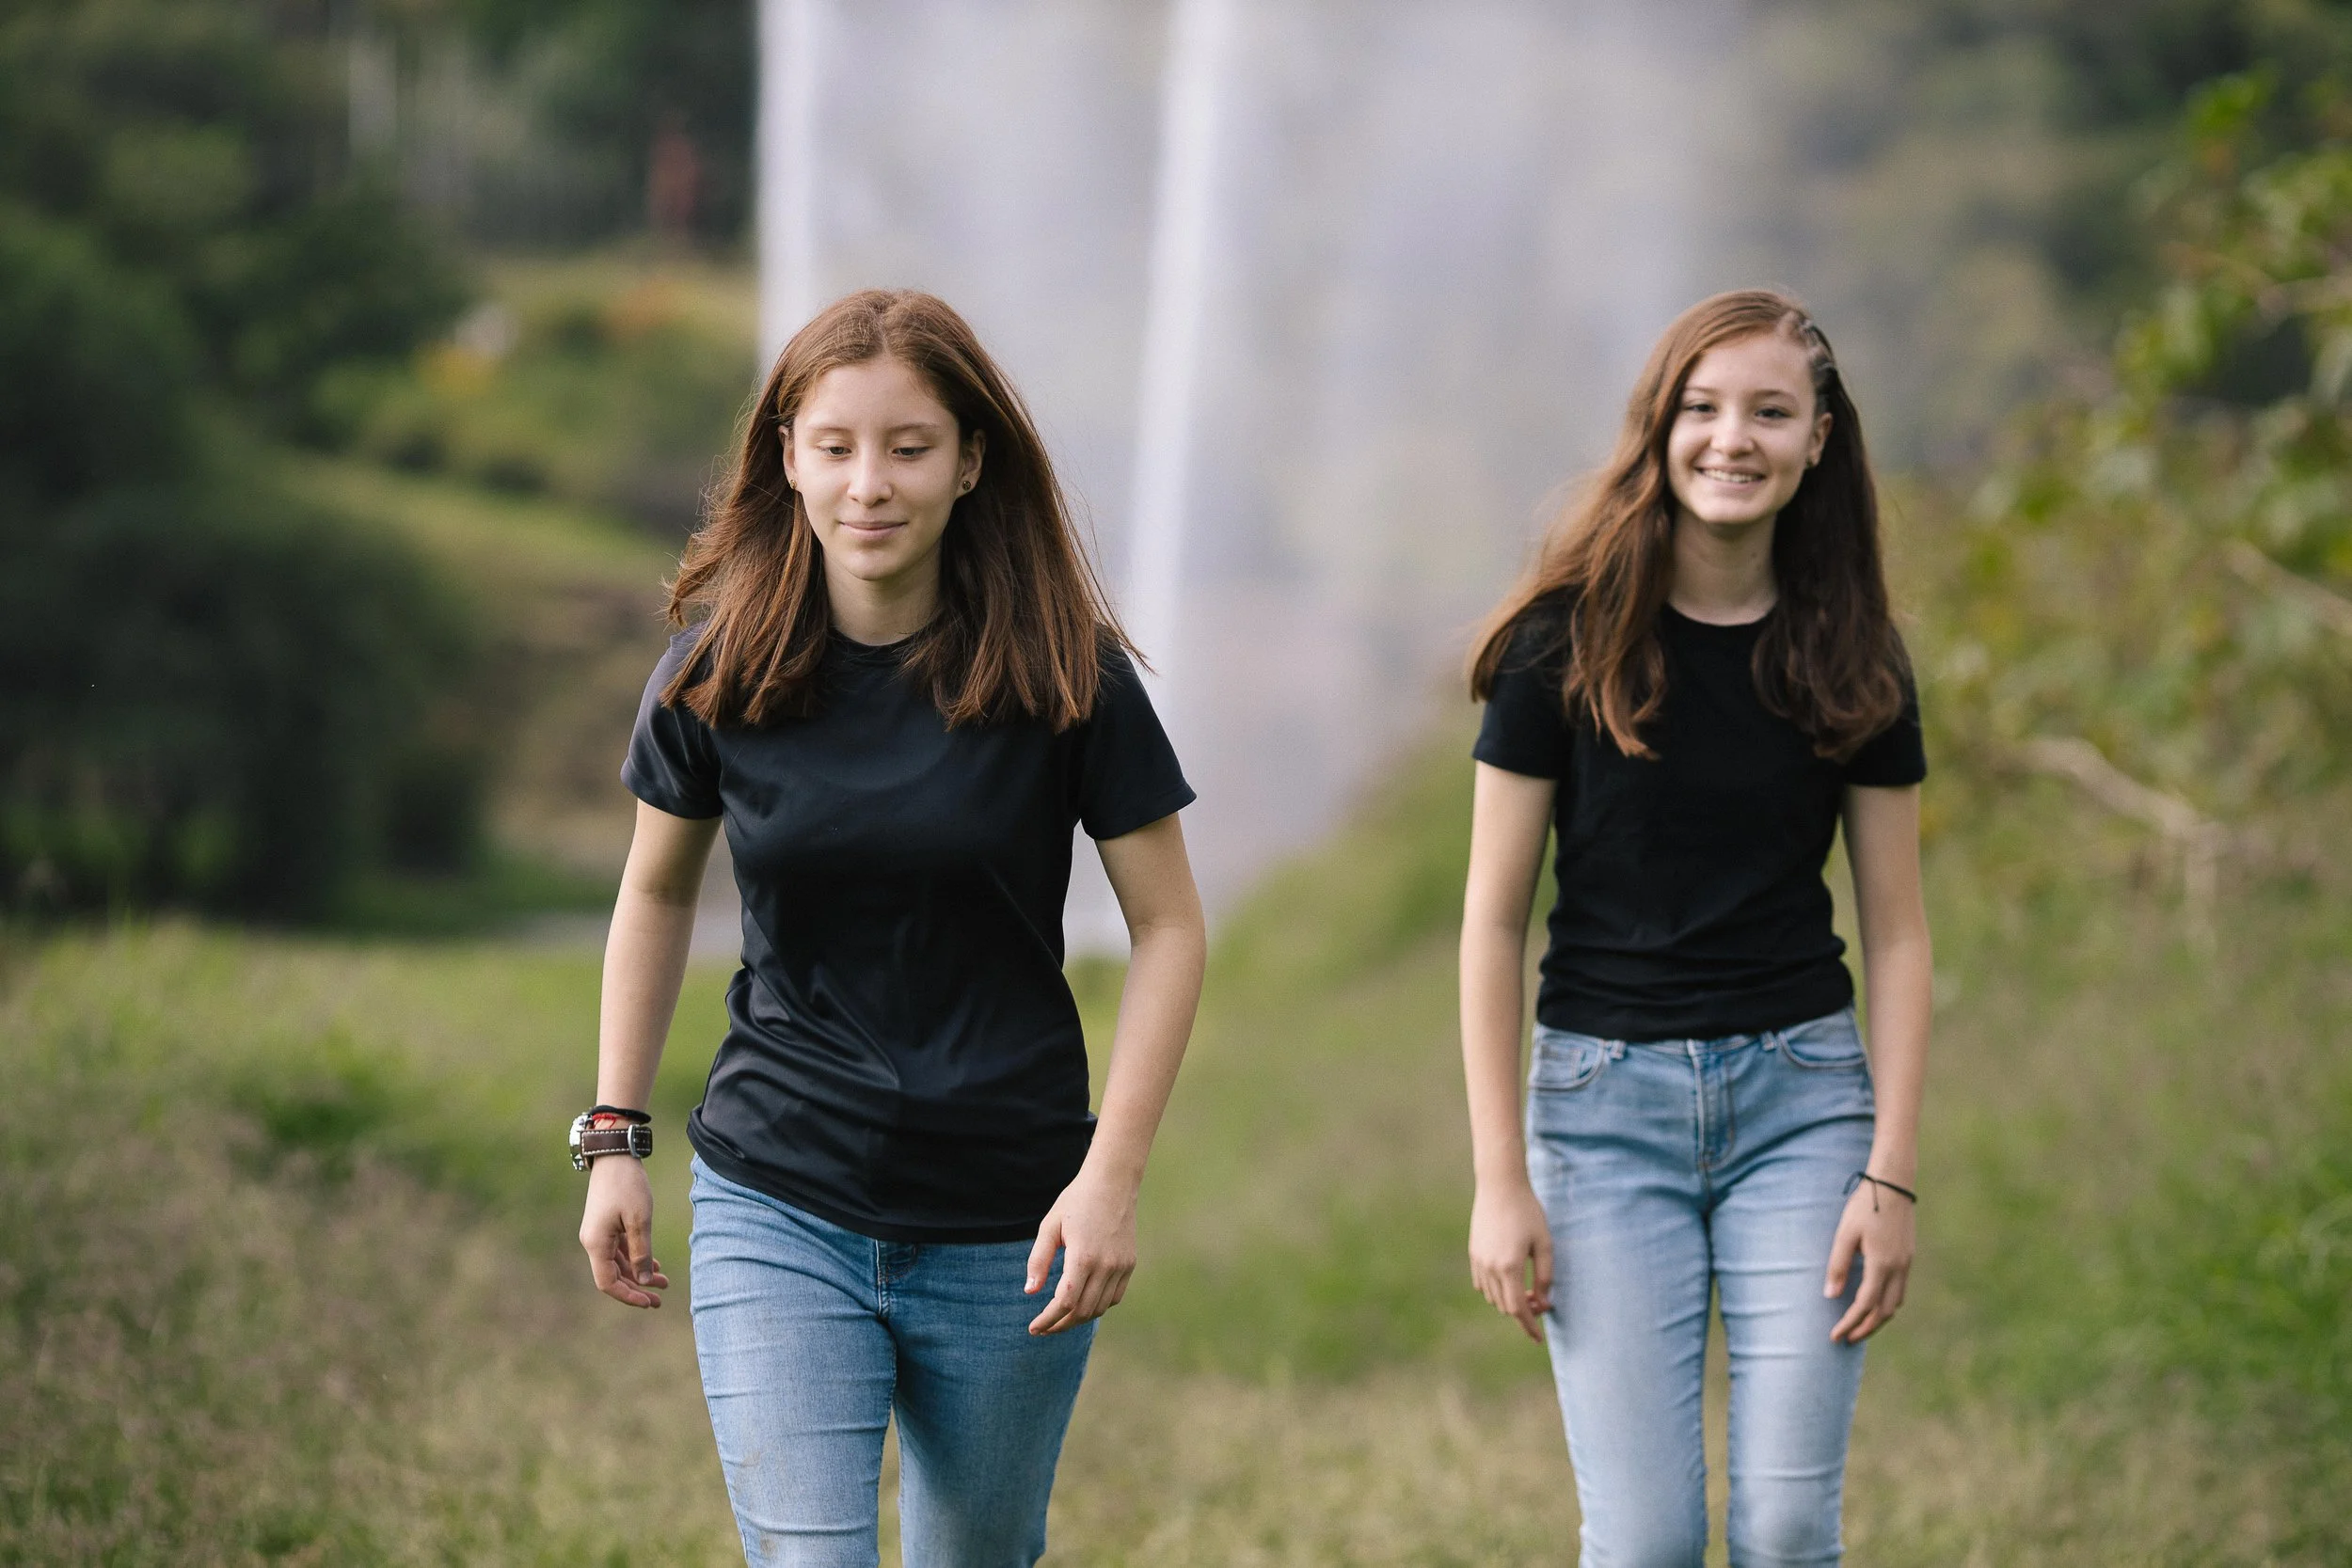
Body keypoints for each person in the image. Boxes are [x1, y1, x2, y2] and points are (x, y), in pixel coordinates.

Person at [574, 289, 1207, 1568]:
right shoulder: (715, 670)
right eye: (836, 445)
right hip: (781, 1192)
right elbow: (653, 892)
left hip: (1010, 1215)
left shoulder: (1067, 675)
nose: (870, 483)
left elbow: (1172, 929)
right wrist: (614, 1135)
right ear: (787, 458)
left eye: (909, 447)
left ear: (972, 462)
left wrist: (1112, 1178)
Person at [1457, 289, 1931, 1565]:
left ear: (1818, 437)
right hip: (1603, 1120)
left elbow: (1898, 935)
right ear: (1659, 428)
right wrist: (1503, 1179)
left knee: (1785, 1526)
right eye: (1703, 409)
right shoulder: (1564, 644)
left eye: (1771, 412)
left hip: (1805, 1109)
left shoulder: (1856, 655)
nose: (1735, 439)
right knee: (1650, 1536)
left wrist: (1888, 1171)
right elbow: (1492, 923)